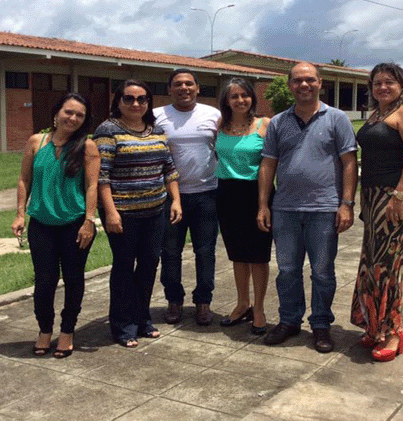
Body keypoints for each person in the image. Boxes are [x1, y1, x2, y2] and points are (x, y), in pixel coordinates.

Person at [257, 62, 358, 353]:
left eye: (310, 80)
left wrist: (346, 204)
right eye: (298, 80)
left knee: (323, 271)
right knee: (287, 270)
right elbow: (268, 164)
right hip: (285, 209)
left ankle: (321, 325)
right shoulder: (278, 122)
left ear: (319, 83)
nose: (304, 85)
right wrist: (264, 205)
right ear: (290, 85)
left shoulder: (337, 119)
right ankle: (289, 320)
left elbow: (349, 163)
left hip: (324, 209)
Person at [12, 92, 100, 359]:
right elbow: (23, 180)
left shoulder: (87, 146)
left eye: (79, 115)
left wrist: (89, 221)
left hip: (75, 225)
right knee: (44, 281)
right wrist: (19, 215)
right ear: (56, 114)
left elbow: (92, 186)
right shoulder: (36, 142)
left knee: (74, 279)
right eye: (68, 112)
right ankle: (44, 330)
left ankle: (67, 331)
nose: (72, 118)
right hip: (42, 224)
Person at [94, 80, 181, 348]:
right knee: (123, 267)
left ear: (148, 103)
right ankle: (122, 325)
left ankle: (143, 318)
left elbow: (169, 167)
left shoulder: (156, 130)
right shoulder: (107, 131)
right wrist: (110, 212)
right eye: (128, 98)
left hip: (155, 210)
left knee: (148, 266)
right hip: (123, 213)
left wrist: (176, 200)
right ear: (118, 101)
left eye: (141, 99)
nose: (135, 104)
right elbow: (101, 175)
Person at [350, 63, 403, 362]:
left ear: (401, 85)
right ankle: (374, 325)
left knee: (389, 264)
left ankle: (393, 332)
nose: (383, 87)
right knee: (372, 261)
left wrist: (399, 195)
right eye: (377, 83)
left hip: (396, 195)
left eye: (389, 82)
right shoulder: (376, 115)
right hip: (373, 195)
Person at [154, 69, 221, 326]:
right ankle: (174, 300)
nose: (184, 88)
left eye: (189, 83)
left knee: (206, 251)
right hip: (170, 196)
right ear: (170, 89)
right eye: (178, 84)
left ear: (197, 87)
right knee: (170, 251)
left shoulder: (213, 114)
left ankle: (203, 301)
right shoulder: (157, 116)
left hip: (207, 194)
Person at [215, 78, 272, 335]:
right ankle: (242, 303)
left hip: (257, 193)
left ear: (252, 98)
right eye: (234, 96)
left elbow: (270, 165)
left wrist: (263, 204)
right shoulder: (221, 125)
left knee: (258, 256)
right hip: (227, 193)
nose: (240, 100)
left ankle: (259, 308)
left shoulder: (265, 125)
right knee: (237, 254)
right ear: (227, 101)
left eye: (244, 95)